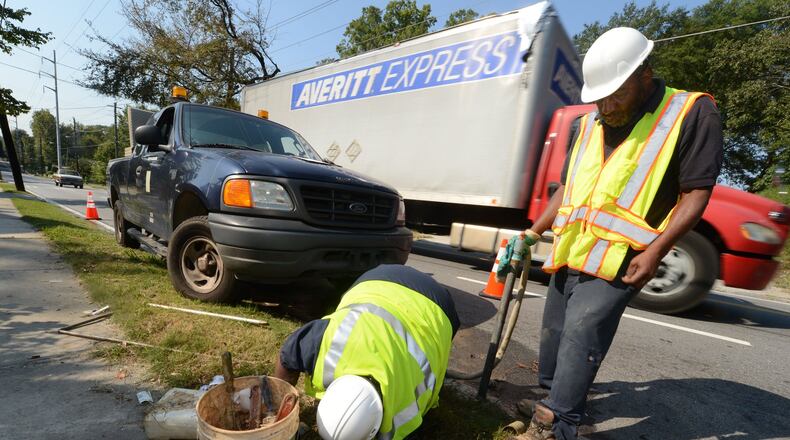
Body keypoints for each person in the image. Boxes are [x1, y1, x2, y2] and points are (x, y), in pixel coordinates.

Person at [512, 27, 723, 440]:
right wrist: (532, 234)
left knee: (583, 330)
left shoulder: (690, 113)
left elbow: (697, 192)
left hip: (621, 255)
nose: (606, 106)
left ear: (645, 74)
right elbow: (567, 189)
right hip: (572, 249)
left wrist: (657, 251)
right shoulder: (587, 124)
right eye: (600, 98)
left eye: (617, 95)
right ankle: (553, 398)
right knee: (555, 336)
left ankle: (557, 423)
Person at [274, 264, 460, 440]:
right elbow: (287, 357)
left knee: (436, 348)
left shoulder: (405, 419)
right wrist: (281, 412)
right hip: (375, 281)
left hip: (437, 304)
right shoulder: (323, 340)